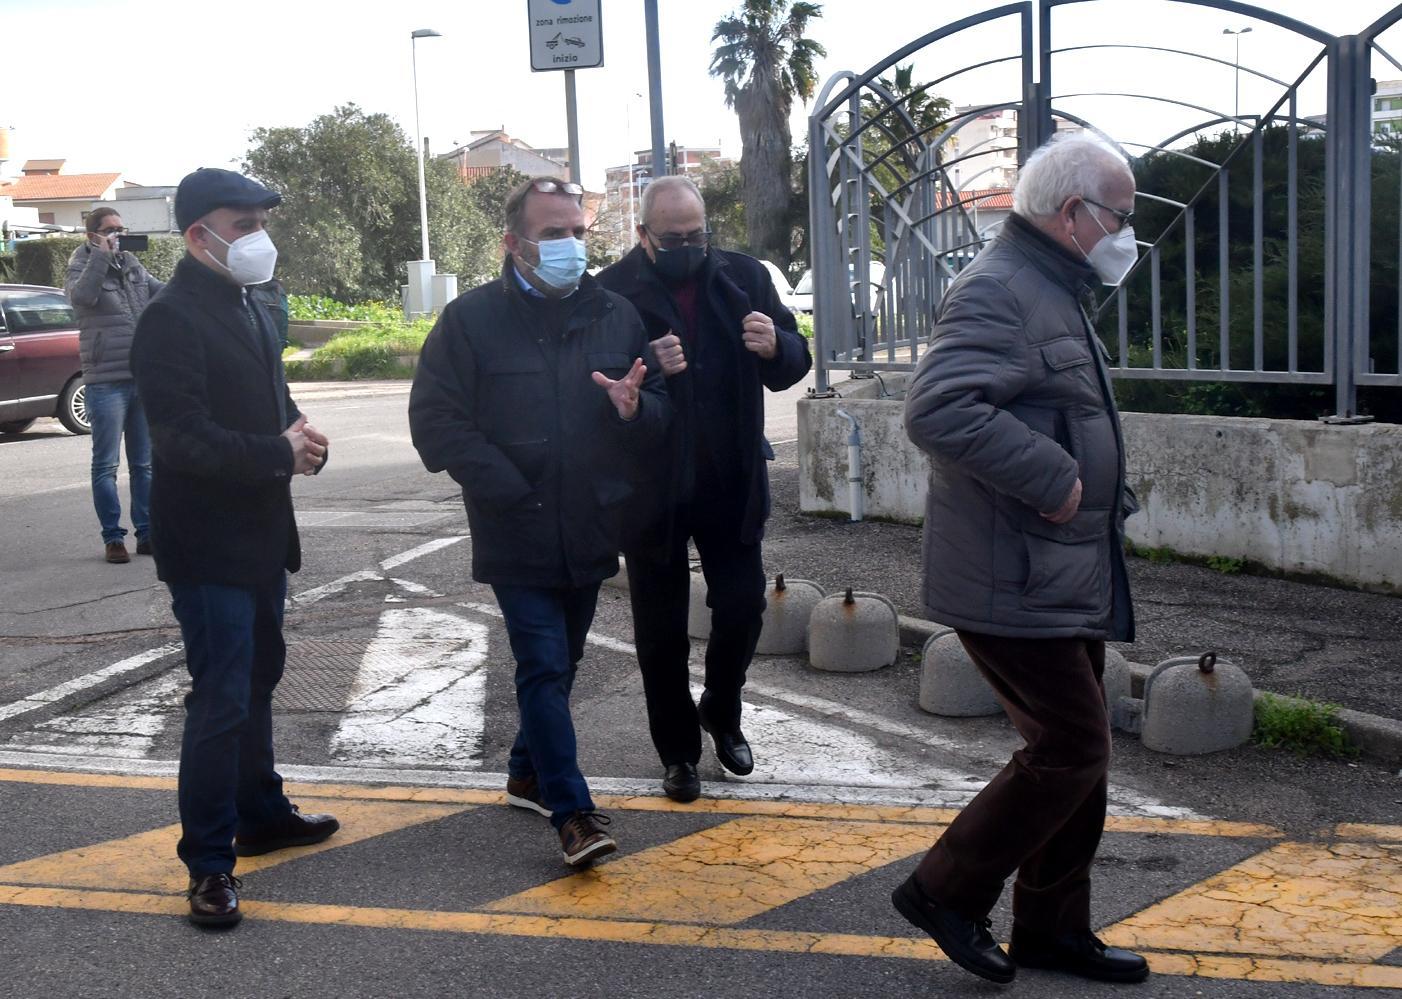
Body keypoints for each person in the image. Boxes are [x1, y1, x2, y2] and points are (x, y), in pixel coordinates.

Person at [892, 133, 1148, 986]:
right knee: (1071, 746)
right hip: (1012, 572)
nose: (1128, 232)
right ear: (1072, 213)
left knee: (1081, 747)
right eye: (1121, 214)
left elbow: (1048, 406)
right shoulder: (1002, 289)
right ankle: (945, 889)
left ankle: (1052, 928)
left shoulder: (1051, 284)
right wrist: (1056, 475)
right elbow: (939, 409)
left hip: (1059, 563)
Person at [409, 177, 670, 868]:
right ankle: (572, 811)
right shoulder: (470, 321)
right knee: (544, 661)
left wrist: (633, 408)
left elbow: (662, 413)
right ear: (514, 243)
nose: (571, 246)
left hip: (590, 522)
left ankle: (526, 769)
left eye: (579, 233)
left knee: (565, 661)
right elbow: (435, 423)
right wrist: (506, 484)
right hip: (514, 525)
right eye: (554, 234)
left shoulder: (617, 315)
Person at [130, 168, 338, 928]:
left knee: (256, 680)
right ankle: (209, 864)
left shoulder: (248, 302)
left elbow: (272, 402)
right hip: (208, 543)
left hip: (258, 537)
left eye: (260, 221)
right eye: (243, 223)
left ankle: (262, 813)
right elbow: (180, 440)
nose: (259, 236)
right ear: (198, 236)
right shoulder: (170, 318)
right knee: (220, 697)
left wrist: (301, 437)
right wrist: (274, 451)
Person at [596, 175, 811, 803]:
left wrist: (778, 347)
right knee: (659, 632)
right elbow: (600, 389)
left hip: (729, 477)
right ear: (643, 235)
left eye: (698, 234)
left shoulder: (744, 276)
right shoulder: (612, 292)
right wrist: (643, 370)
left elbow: (792, 360)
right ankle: (678, 754)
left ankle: (722, 706)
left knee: (743, 606)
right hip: (651, 487)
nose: (689, 245)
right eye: (673, 238)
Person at [65, 207, 163, 563]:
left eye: (122, 228)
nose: (118, 234)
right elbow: (82, 299)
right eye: (110, 230)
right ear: (92, 235)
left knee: (144, 463)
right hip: (105, 381)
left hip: (140, 376)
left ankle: (148, 532)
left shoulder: (133, 265)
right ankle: (113, 538)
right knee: (105, 465)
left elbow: (161, 293)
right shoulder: (80, 264)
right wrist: (101, 259)